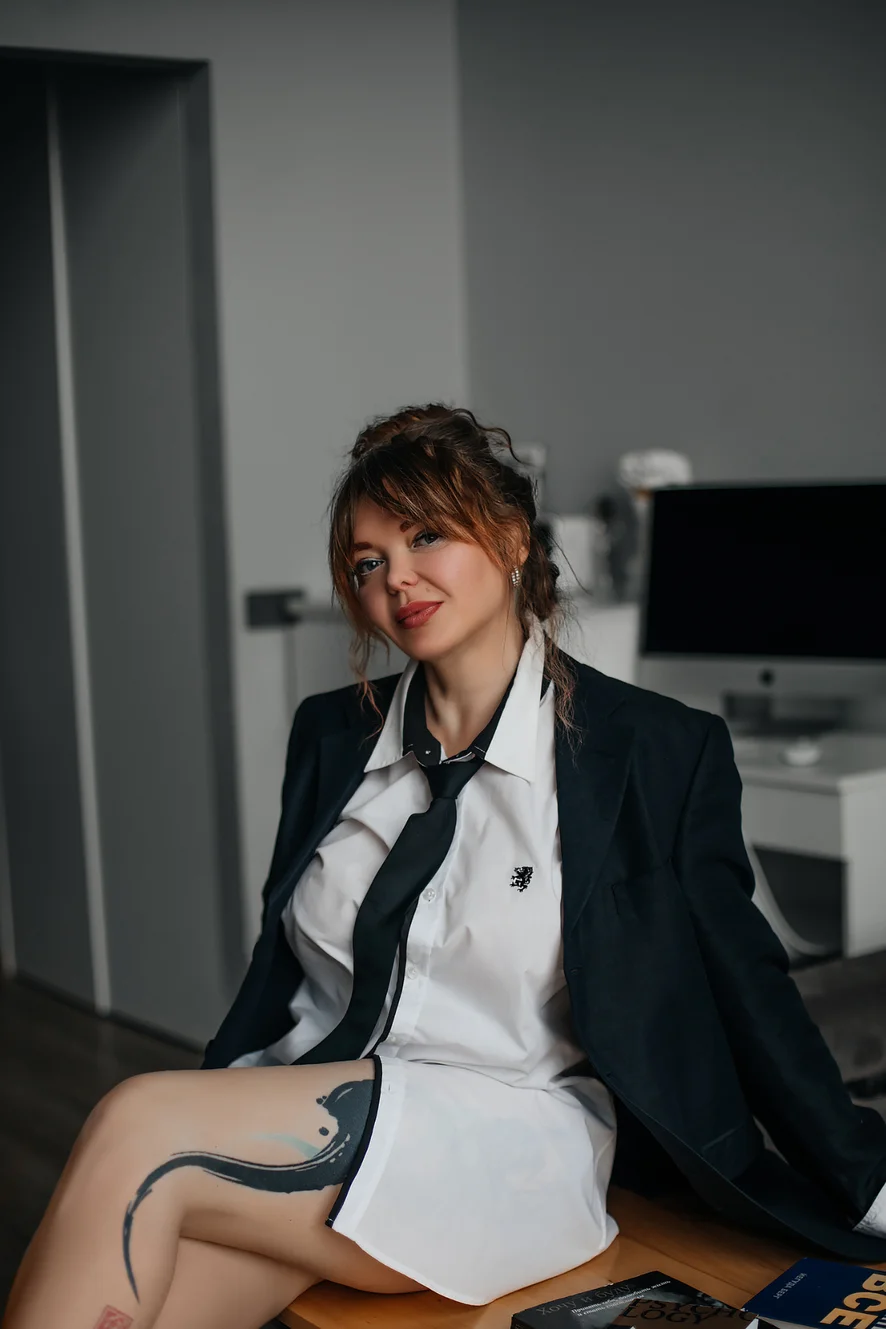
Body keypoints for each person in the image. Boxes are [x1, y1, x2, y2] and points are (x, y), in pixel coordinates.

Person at [6, 404, 886, 1329]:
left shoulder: (655, 750)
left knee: (138, 1125)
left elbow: (748, 983)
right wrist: (229, 1091)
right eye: (367, 561)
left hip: (501, 1144)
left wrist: (864, 1179)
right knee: (146, 1281)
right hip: (315, 1107)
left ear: (510, 539)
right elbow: (287, 969)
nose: (396, 577)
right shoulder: (329, 734)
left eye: (426, 535)